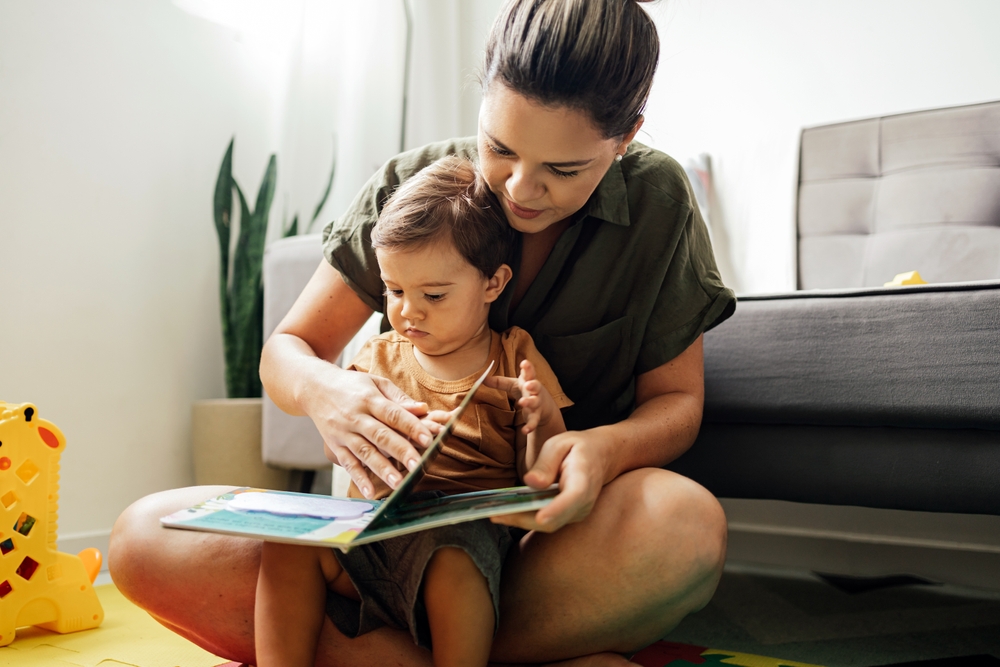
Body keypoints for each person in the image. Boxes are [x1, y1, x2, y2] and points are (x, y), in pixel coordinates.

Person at [109, 0, 737, 665]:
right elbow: (287, 352)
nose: (521, 188)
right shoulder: (411, 186)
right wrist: (327, 392)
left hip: (540, 549)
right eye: (500, 147)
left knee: (686, 526)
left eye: (565, 170)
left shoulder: (658, 202)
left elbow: (677, 403)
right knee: (140, 537)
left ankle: (387, 653)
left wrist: (599, 452)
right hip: (375, 548)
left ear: (625, 138)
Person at [255, 155, 572, 667]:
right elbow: (340, 451)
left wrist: (543, 420)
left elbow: (544, 467)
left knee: (453, 558)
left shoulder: (515, 354)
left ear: (492, 284)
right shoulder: (376, 357)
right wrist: (366, 440)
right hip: (372, 539)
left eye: (433, 294)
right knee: (286, 544)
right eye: (394, 291)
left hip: (464, 545)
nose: (408, 311)